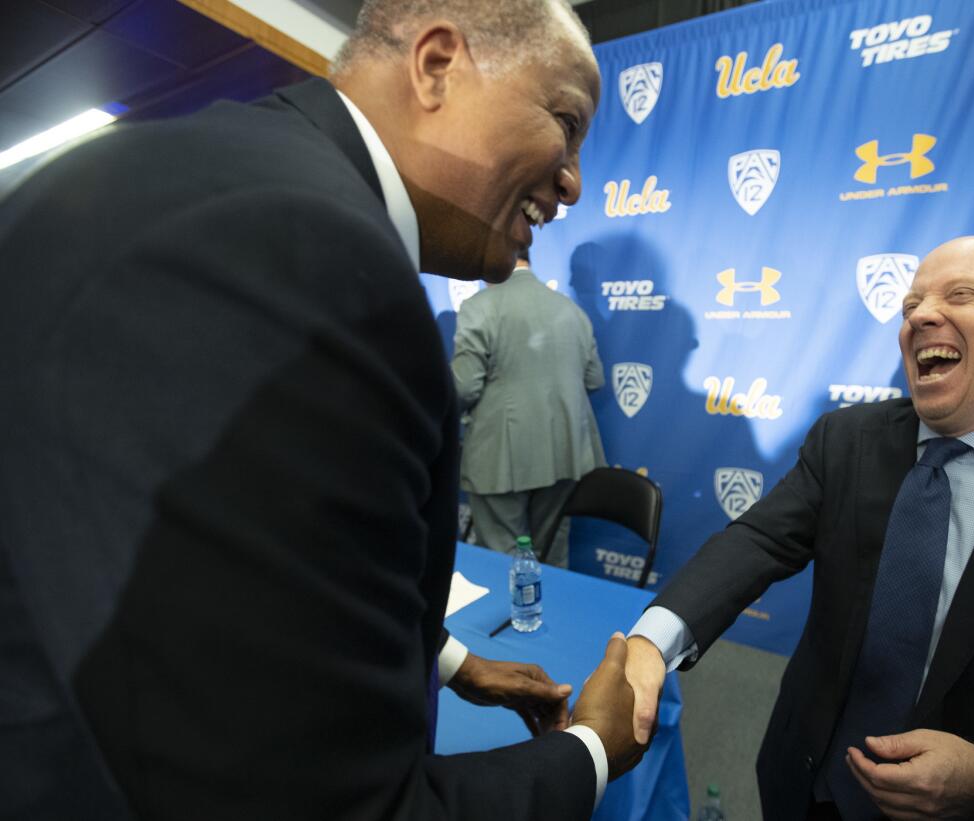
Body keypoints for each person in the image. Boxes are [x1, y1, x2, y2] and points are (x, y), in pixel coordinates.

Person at [0, 2, 645, 820]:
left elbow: (223, 575)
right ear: (438, 65)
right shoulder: (315, 253)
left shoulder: (241, 181)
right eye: (567, 122)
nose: (575, 183)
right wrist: (589, 749)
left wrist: (448, 661)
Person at [621, 235, 974, 821]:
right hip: (807, 784)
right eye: (910, 306)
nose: (920, 316)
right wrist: (651, 643)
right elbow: (759, 541)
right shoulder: (846, 440)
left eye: (963, 295)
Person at [452, 248, 606, 566]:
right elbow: (595, 380)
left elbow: (463, 387)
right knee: (552, 555)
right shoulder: (572, 311)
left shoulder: (479, 307)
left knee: (500, 560)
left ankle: (509, 618)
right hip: (564, 454)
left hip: (499, 457)